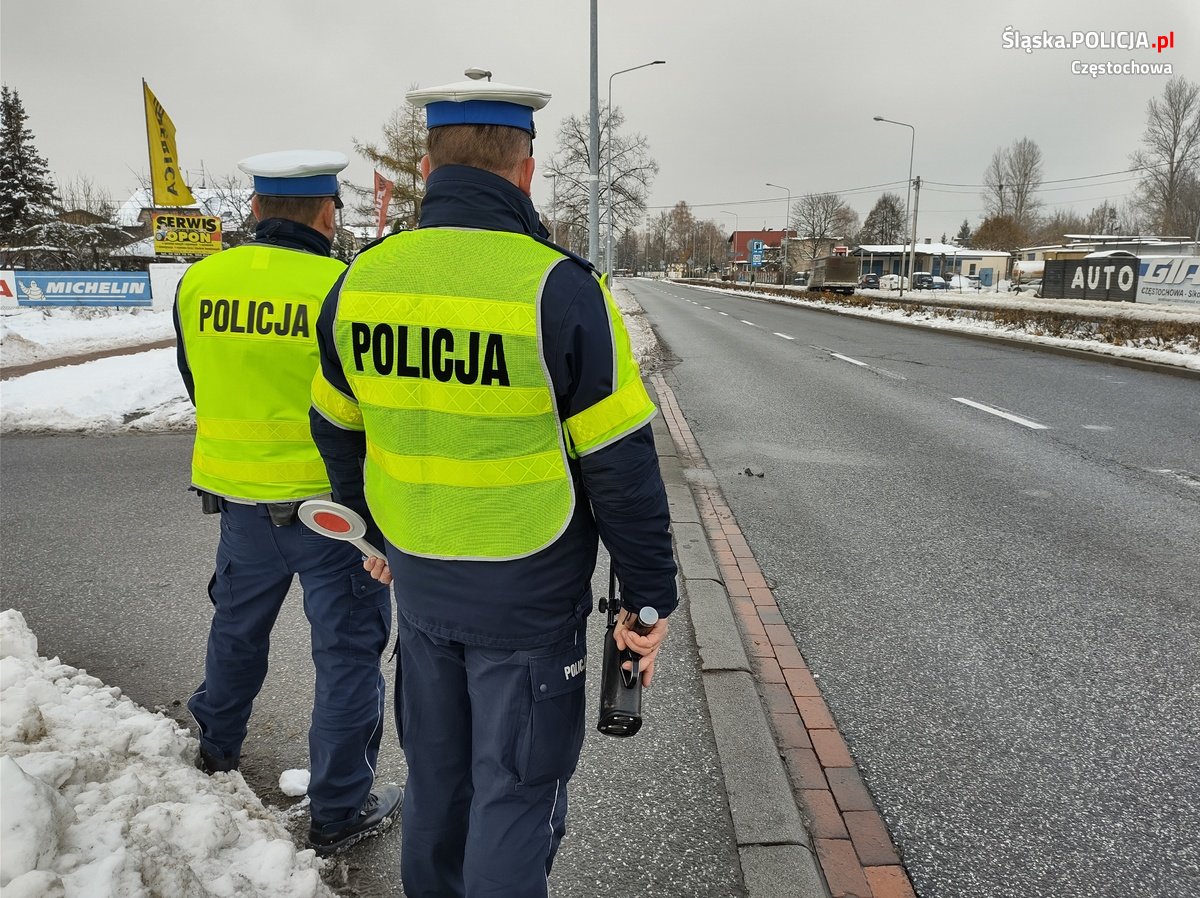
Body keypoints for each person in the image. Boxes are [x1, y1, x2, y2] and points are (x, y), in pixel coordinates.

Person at [309, 77, 678, 897]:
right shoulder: (559, 287)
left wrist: (375, 532)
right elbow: (621, 464)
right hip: (527, 590)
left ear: (425, 163)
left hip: (425, 587)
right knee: (516, 789)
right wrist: (648, 599)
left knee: (438, 787)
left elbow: (335, 424)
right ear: (527, 171)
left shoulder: (361, 281)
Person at [173, 149, 401, 856]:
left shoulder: (198, 281)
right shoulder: (345, 287)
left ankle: (213, 756)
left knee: (236, 632)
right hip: (333, 514)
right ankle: (338, 810)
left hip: (240, 504)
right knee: (347, 656)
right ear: (328, 213)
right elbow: (374, 404)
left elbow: (194, 378)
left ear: (253, 210)